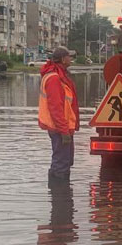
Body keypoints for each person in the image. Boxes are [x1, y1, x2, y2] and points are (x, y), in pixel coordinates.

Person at [38, 46, 80, 180]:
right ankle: (60, 196)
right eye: (69, 56)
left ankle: (59, 196)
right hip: (59, 128)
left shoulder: (58, 76)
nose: (71, 59)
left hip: (61, 127)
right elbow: (56, 108)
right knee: (61, 165)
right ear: (63, 59)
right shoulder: (54, 79)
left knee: (64, 162)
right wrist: (64, 131)